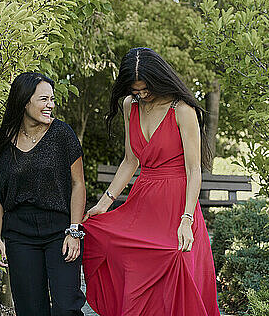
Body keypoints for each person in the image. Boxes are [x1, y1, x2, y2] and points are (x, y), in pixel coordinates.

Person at [82, 48, 221, 316]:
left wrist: (186, 220)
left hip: (178, 205)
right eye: (135, 90)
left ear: (159, 79)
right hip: (143, 201)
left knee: (176, 260)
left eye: (146, 88)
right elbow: (130, 161)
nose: (142, 95)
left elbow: (194, 170)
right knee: (121, 253)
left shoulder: (182, 110)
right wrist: (104, 203)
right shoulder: (129, 106)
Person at [0, 72, 86, 316]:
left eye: (52, 99)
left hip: (60, 230)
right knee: (30, 309)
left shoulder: (62, 135)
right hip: (19, 233)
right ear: (24, 101)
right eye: (44, 99)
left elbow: (78, 184)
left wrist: (74, 230)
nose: (51, 105)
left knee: (66, 307)